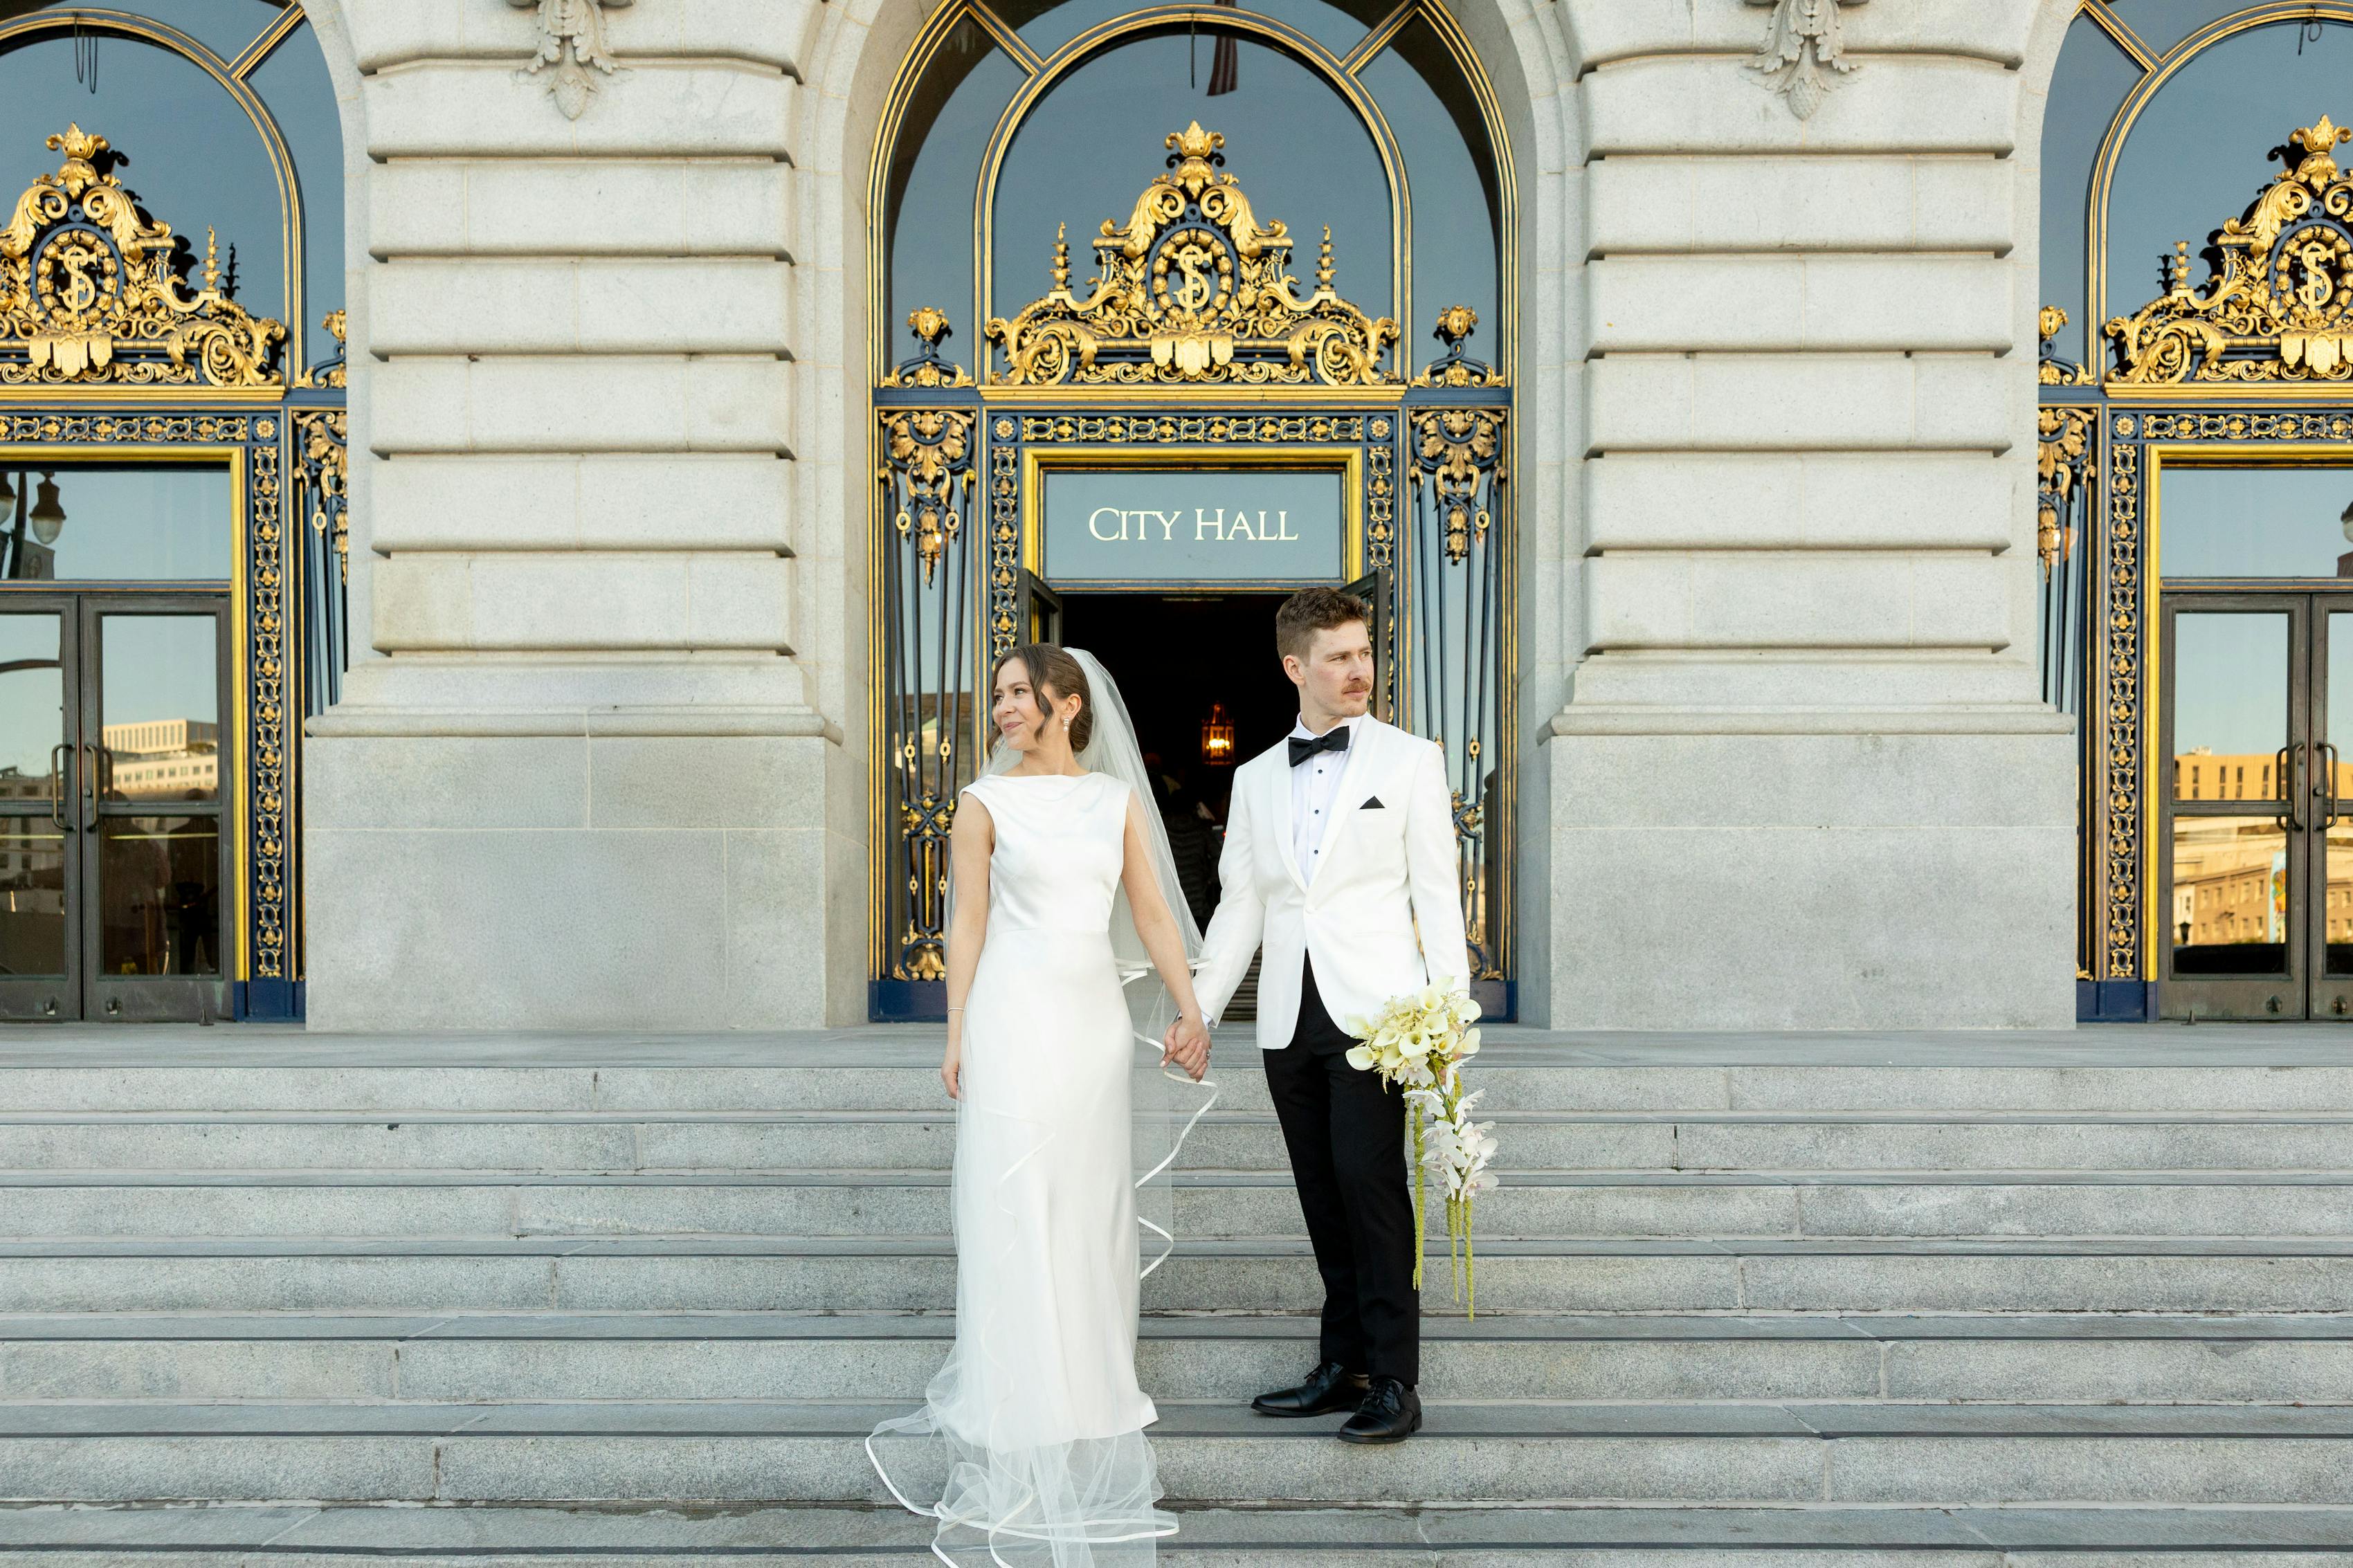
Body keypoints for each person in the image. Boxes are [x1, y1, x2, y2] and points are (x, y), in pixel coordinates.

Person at [869, 642, 1213, 1568]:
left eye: (1020, 693)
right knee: (1015, 1200)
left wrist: (1191, 1006)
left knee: (1089, 1206)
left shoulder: (1114, 801)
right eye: (999, 697)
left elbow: (1150, 913)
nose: (1004, 709)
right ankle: (1017, 1398)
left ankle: (1090, 1390)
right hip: (1012, 1016)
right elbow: (968, 922)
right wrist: (954, 1034)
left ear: (1067, 702)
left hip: (1092, 1023)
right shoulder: (983, 804)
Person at [1182, 587, 1470, 1446]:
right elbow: (1240, 907)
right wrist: (1197, 1011)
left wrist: (1448, 1013)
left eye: (1364, 652)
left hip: (1378, 1016)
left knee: (1371, 1190)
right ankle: (1341, 1363)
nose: (1359, 670)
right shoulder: (1254, 776)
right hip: (1286, 1018)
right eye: (1339, 656)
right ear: (1294, 666)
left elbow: (1438, 895)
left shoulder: (1411, 760)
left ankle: (1394, 1380)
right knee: (1322, 1194)